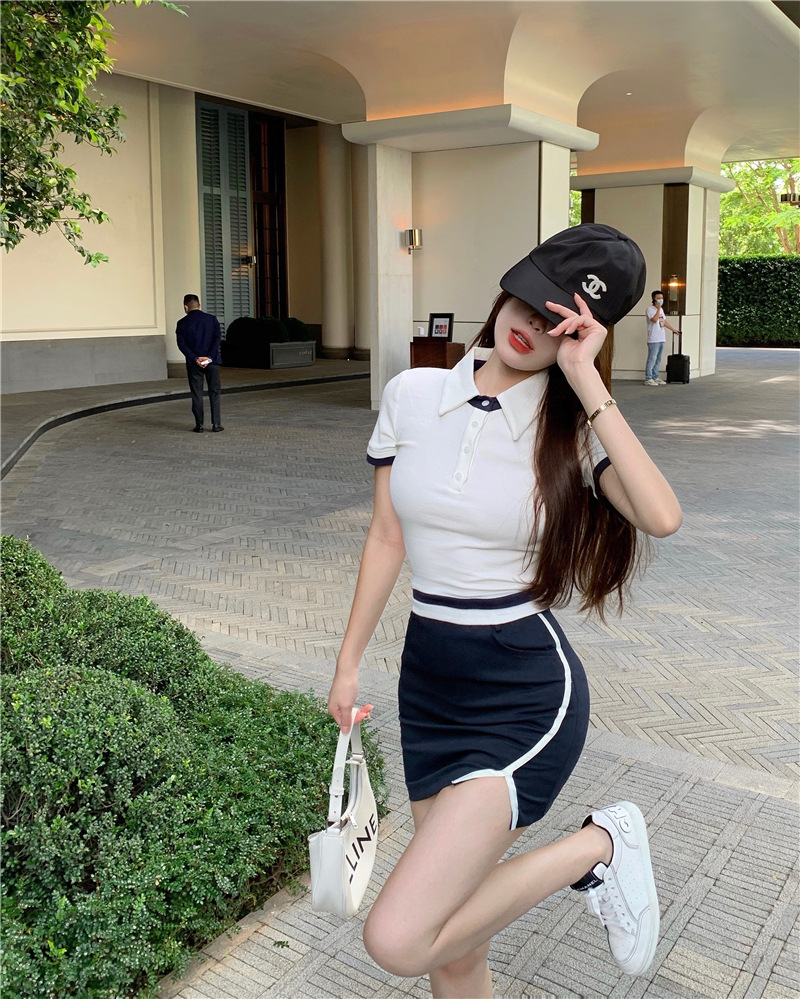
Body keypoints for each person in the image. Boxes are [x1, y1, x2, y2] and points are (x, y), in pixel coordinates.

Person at [326, 223, 683, 998]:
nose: (530, 325)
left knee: (400, 936)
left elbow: (661, 515)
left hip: (523, 694)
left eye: (561, 325)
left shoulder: (571, 433)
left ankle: (601, 844)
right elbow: (387, 535)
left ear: (582, 337)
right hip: (429, 686)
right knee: (454, 950)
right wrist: (348, 663)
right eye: (528, 299)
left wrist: (587, 383)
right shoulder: (412, 395)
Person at [175, 294, 224, 432]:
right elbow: (217, 339)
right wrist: (209, 358)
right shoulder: (212, 319)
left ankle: (199, 425)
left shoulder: (182, 323)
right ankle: (216, 424)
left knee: (197, 393)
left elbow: (181, 344)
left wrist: (195, 358)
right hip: (212, 362)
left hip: (193, 363)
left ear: (186, 307)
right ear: (199, 305)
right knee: (214, 391)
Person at [645, 290, 679, 386]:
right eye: (658, 298)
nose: (661, 300)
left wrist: (673, 329)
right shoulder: (650, 309)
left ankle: (655, 376)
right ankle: (648, 378)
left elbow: (662, 321)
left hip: (661, 338)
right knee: (652, 358)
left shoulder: (661, 310)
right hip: (653, 339)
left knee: (658, 359)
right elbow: (654, 319)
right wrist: (658, 309)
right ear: (654, 299)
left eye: (662, 298)